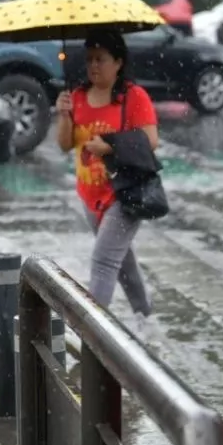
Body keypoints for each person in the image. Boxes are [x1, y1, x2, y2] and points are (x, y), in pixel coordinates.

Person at [54, 30, 158, 326]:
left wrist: (110, 146)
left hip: (124, 193)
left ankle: (93, 338)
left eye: (100, 59)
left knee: (103, 261)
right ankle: (145, 318)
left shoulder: (133, 97)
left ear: (118, 62)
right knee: (122, 262)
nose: (93, 66)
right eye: (89, 60)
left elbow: (150, 140)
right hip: (90, 195)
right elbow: (64, 144)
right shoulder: (76, 96)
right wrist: (63, 115)